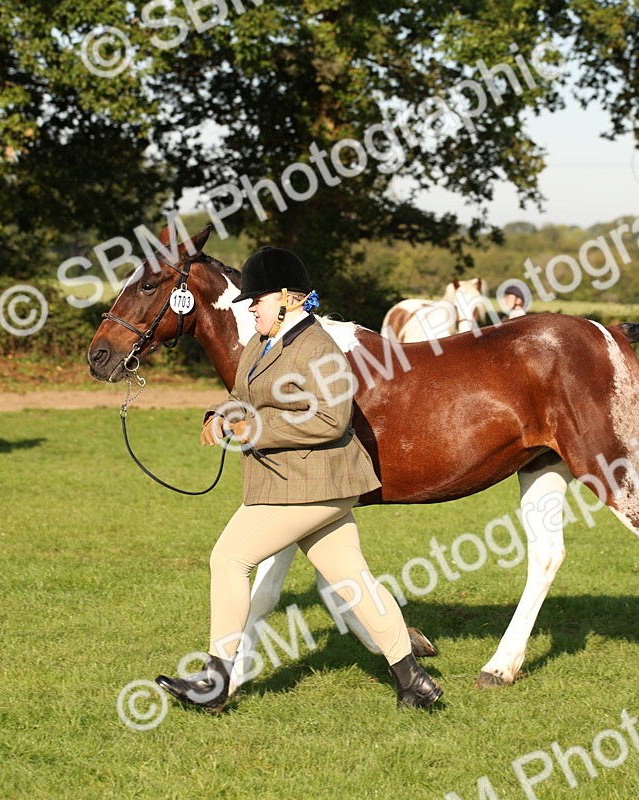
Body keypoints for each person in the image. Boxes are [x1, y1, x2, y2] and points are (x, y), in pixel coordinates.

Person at [155, 246, 442, 712]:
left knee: (228, 558)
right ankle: (413, 680)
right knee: (353, 580)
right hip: (291, 479)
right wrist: (221, 414)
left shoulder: (319, 348)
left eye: (258, 300)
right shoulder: (260, 342)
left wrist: (255, 430)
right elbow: (246, 395)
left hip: (316, 482)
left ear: (287, 298)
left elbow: (331, 420)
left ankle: (214, 682)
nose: (250, 307)